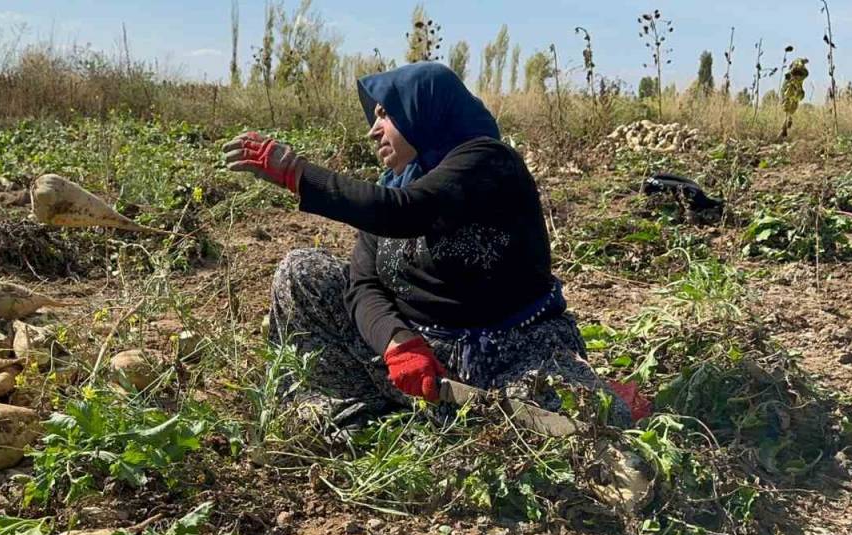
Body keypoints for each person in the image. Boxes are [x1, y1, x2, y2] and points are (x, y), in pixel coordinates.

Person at [223, 62, 638, 438]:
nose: (373, 128)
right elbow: (362, 283)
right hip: (426, 366)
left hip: (507, 355)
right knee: (302, 271)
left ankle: (583, 398)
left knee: (586, 423)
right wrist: (397, 342)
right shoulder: (392, 186)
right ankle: (352, 412)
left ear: (423, 110)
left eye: (386, 113)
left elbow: (406, 214)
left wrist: (298, 174)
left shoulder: (487, 161)